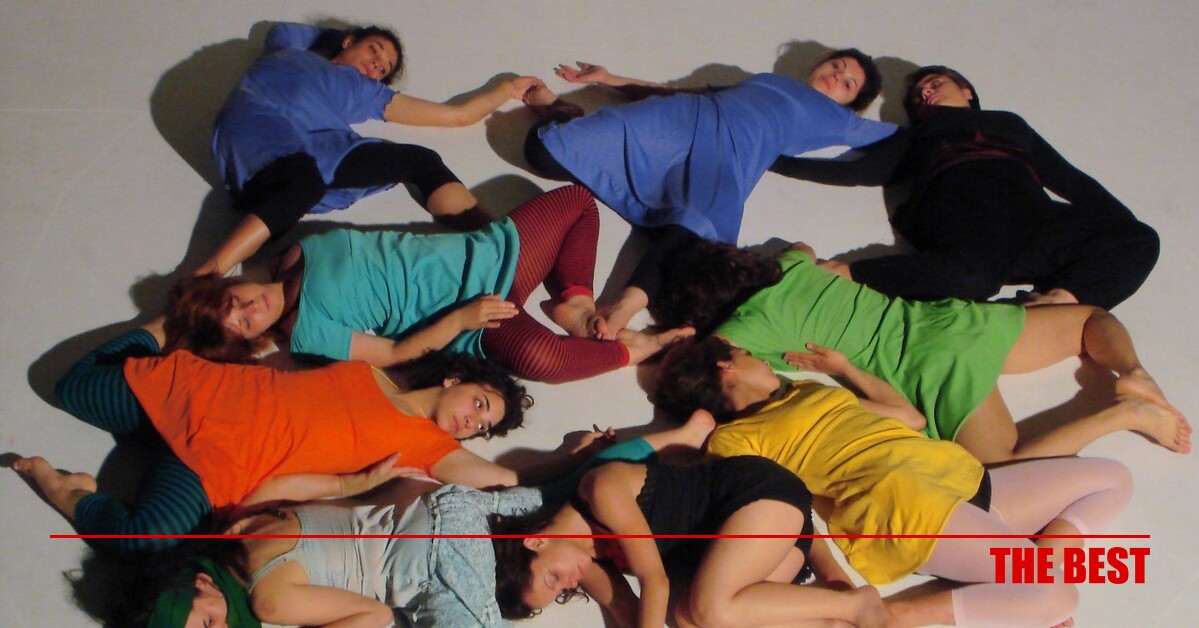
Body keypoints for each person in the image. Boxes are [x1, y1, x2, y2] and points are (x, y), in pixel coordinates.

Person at [656, 335, 1136, 627]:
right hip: (904, 505)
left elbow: (909, 418)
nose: (761, 360)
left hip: (955, 473)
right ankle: (899, 617)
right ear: (726, 366)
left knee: (1113, 477)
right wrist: (834, 576)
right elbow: (778, 507)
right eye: (746, 353)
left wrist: (846, 369)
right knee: (1059, 595)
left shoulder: (803, 390)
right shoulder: (734, 439)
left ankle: (1028, 580)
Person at [10, 318, 604, 553]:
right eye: (479, 403)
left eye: (483, 425)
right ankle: (156, 331)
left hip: (218, 467)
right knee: (68, 385)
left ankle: (69, 491)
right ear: (455, 379)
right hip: (202, 395)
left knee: (142, 540)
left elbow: (504, 479)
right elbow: (329, 331)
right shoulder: (379, 368)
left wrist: (568, 459)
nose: (474, 422)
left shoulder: (430, 447)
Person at [112, 409, 718, 627]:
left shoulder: (269, 601)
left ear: (200, 585)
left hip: (422, 562)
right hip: (430, 508)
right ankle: (678, 436)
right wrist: (359, 486)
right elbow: (293, 492)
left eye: (207, 623)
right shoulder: (241, 529)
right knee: (563, 499)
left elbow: (376, 615)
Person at [650, 240, 1190, 462]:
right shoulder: (790, 263)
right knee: (1093, 319)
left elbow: (692, 363)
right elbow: (805, 250)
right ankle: (1133, 370)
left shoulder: (739, 333)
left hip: (927, 366)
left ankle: (1124, 414)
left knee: (1001, 467)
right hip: (947, 321)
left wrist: (657, 338)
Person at [520, 50, 896, 337]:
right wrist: (609, 79)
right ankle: (559, 110)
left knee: (696, 235)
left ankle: (625, 304)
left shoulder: (840, 120)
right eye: (837, 65)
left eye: (848, 83)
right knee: (545, 151)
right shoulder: (766, 80)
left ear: (849, 104)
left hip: (725, 159)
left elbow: (906, 138)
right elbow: (680, 91)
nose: (838, 75)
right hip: (682, 118)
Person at [168, 186, 693, 384]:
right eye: (244, 323)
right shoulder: (304, 331)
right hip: (472, 316)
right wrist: (461, 320)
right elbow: (393, 354)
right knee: (543, 361)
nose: (252, 307)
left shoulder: (294, 251)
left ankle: (576, 305)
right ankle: (634, 349)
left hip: (490, 255)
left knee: (577, 200)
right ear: (253, 339)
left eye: (234, 301)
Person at [771, 65, 1159, 309]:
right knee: (973, 281)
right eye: (919, 96)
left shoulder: (1007, 123)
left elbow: (1068, 178)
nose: (926, 93)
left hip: (1031, 223)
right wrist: (773, 158)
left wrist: (1122, 227)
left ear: (967, 90)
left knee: (1141, 239)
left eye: (934, 83)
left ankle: (1061, 299)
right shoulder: (920, 135)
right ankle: (844, 272)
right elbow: (854, 173)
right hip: (964, 226)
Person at [199, 21, 543, 276]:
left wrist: (506, 90)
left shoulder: (365, 91)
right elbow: (283, 29)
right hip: (258, 124)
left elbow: (457, 115)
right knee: (304, 180)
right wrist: (343, 37)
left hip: (319, 151)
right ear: (348, 41)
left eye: (384, 68)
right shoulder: (287, 50)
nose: (377, 63)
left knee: (421, 160)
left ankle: (500, 244)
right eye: (373, 49)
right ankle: (210, 272)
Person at [490, 432, 888, 628]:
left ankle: (857, 605)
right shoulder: (583, 562)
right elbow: (628, 610)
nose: (568, 582)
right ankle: (833, 616)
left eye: (553, 577)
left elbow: (655, 581)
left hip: (755, 496)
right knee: (690, 621)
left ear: (536, 541)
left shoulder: (600, 490)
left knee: (709, 609)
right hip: (768, 541)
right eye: (560, 590)